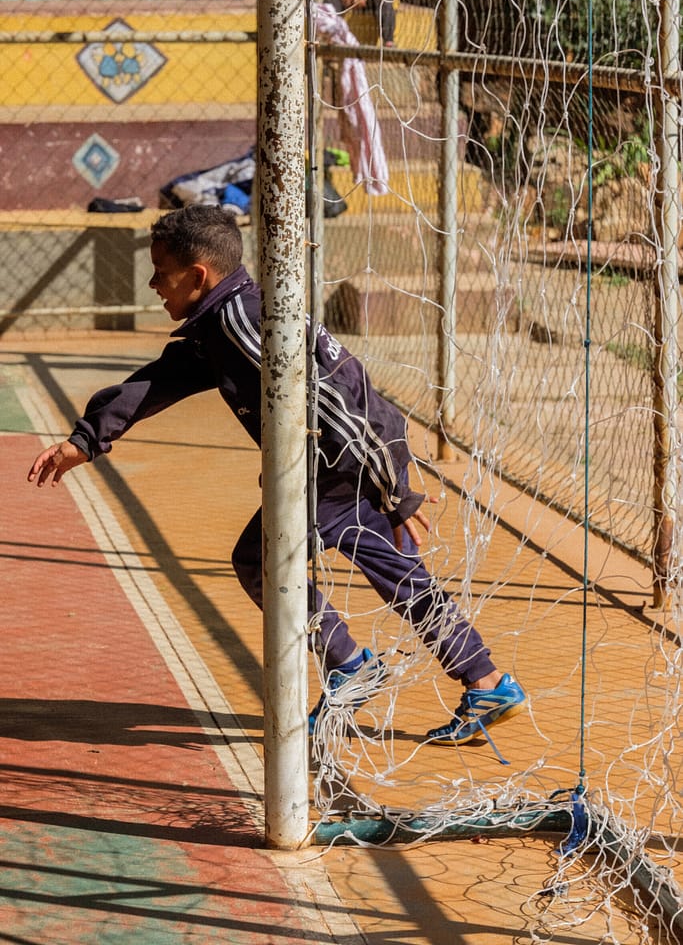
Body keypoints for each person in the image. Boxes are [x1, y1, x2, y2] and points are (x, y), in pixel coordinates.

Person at [27, 205, 526, 747]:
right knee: (401, 577)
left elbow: (341, 397)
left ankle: (350, 665)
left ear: (198, 275)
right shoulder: (226, 319)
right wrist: (87, 439)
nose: (152, 284)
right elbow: (162, 379)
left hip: (336, 469)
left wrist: (394, 488)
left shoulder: (243, 323)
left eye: (160, 272)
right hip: (351, 465)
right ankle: (486, 682)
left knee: (259, 561)